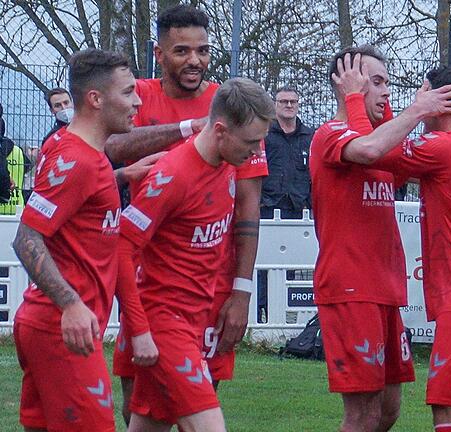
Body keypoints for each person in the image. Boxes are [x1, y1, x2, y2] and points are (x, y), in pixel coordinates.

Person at [105, 5, 268, 424]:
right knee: (166, 406)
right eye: (182, 51)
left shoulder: (233, 106)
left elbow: (249, 204)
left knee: (163, 413)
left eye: (203, 51)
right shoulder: (138, 102)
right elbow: (106, 147)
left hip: (207, 291)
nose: (194, 60)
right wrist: (184, 129)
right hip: (156, 293)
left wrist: (241, 289)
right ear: (159, 53)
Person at [341, 64, 451, 432]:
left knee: (450, 419)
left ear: (443, 102)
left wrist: (354, 98)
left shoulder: (442, 147)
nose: (416, 103)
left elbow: (369, 148)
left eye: (424, 95)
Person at [311, 45, 451, 431]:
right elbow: (369, 148)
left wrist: (410, 109)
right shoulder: (330, 135)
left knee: (388, 409)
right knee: (362, 413)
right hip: (350, 289)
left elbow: (392, 153)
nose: (385, 92)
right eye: (376, 82)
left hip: (386, 291)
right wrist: (416, 110)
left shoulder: (379, 137)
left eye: (387, 83)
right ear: (348, 84)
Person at [12, 48, 158, 432]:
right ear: (95, 99)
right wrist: (72, 304)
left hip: (47, 324)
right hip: (63, 328)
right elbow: (26, 238)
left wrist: (120, 178)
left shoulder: (71, 149)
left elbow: (72, 207)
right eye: (127, 93)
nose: (137, 101)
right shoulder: (78, 160)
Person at [261, 85, 314, 219]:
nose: (289, 105)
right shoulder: (263, 134)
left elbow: (315, 173)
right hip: (267, 208)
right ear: (275, 104)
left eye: (293, 102)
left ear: (297, 105)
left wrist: (309, 203)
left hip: (300, 210)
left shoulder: (310, 137)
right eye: (284, 101)